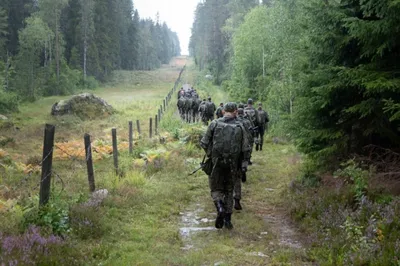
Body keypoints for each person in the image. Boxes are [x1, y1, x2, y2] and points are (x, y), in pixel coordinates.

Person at [200, 102, 251, 229]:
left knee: (216, 189)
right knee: (229, 190)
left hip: (216, 163)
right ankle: (228, 220)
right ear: (235, 111)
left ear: (223, 111)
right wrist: (244, 163)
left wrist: (211, 154)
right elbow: (246, 148)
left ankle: (220, 207)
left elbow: (204, 142)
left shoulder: (214, 123)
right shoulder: (240, 126)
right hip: (233, 165)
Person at [234, 107, 254, 210]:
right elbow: (251, 131)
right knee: (245, 158)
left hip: (232, 151)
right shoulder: (246, 121)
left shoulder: (235, 122)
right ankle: (244, 168)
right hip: (244, 145)